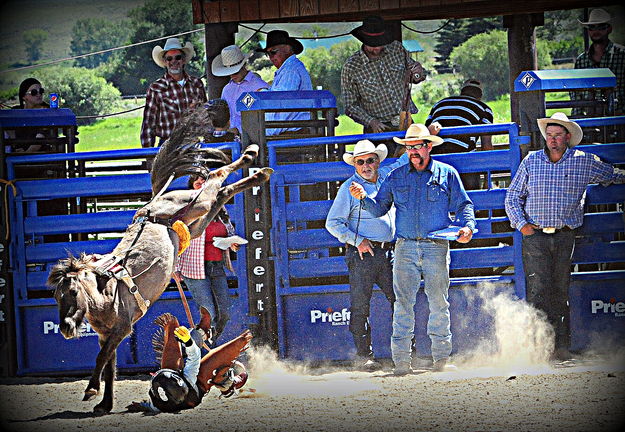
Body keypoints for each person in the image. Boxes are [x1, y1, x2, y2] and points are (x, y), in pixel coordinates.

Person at [349, 123, 476, 375]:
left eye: (417, 146)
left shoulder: (447, 173)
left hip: (436, 246)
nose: (412, 151)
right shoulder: (396, 177)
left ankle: (440, 359)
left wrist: (468, 227)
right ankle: (402, 363)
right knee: (403, 304)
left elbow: (464, 205)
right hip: (405, 247)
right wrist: (364, 198)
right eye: (408, 147)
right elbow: (380, 208)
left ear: (428, 146)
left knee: (438, 302)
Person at [504, 112, 625, 361]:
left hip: (563, 235)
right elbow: (512, 196)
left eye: (558, 135)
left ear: (567, 137)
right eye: (549, 135)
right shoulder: (531, 161)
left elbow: (612, 174)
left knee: (560, 291)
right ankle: (539, 348)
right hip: (535, 234)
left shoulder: (584, 161)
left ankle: (560, 347)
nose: (553, 140)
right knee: (538, 291)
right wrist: (522, 224)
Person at [325, 140, 397, 371]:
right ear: (355, 165)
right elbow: (332, 223)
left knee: (400, 302)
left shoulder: (386, 179)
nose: (366, 165)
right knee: (360, 306)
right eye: (361, 162)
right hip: (363, 254)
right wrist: (357, 241)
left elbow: (405, 159)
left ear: (378, 161)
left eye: (370, 160)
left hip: (389, 250)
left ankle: (405, 352)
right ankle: (364, 355)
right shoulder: (349, 187)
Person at [127, 309, 252, 412]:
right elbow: (194, 357)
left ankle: (201, 333)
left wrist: (144, 406)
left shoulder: (156, 398)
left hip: (174, 383)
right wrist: (188, 341)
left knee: (172, 323)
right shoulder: (190, 379)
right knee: (241, 341)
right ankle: (226, 383)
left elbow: (151, 405)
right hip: (198, 387)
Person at [341, 15, 426, 156]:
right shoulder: (351, 67)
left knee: (414, 163)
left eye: (380, 43)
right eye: (372, 45)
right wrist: (371, 122)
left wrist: (418, 73)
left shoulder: (397, 50)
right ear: (363, 41)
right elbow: (350, 106)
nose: (377, 48)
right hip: (378, 129)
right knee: (383, 170)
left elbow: (416, 75)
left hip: (406, 123)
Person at [176, 174, 241, 343]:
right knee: (209, 314)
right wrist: (174, 268)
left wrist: (231, 243)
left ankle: (205, 344)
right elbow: (175, 237)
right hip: (193, 267)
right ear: (192, 187)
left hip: (216, 266)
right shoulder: (186, 208)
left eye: (205, 184)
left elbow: (228, 229)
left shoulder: (219, 208)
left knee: (224, 313)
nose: (202, 187)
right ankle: (195, 352)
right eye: (198, 184)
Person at [425, 79, 494, 189]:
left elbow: (426, 132)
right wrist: (487, 179)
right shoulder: (484, 108)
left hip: (436, 156)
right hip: (464, 157)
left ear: (462, 92)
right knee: (470, 197)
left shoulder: (439, 104)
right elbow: (487, 145)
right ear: (480, 96)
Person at [140, 37, 207, 149]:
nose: (174, 61)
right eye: (169, 58)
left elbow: (205, 117)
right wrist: (149, 155)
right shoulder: (156, 88)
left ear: (184, 60)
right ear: (165, 62)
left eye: (178, 57)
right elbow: (148, 125)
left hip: (194, 143)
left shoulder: (196, 84)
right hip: (168, 145)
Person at [256, 30, 313, 136]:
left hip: (293, 133)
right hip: (292, 130)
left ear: (287, 49)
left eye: (273, 52)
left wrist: (261, 92)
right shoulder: (290, 68)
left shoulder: (290, 70)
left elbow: (280, 98)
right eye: (268, 54)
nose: (271, 58)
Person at [572, 8, 625, 116]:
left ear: (609, 29)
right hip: (591, 119)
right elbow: (576, 94)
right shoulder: (581, 60)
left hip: (619, 117)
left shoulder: (622, 55)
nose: (596, 31)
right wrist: (579, 120)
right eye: (592, 27)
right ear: (588, 30)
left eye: (601, 27)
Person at [211, 44, 268, 135]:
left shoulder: (260, 87)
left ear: (244, 65)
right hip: (233, 138)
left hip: (254, 137)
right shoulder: (227, 89)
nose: (232, 75)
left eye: (235, 71)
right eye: (229, 72)